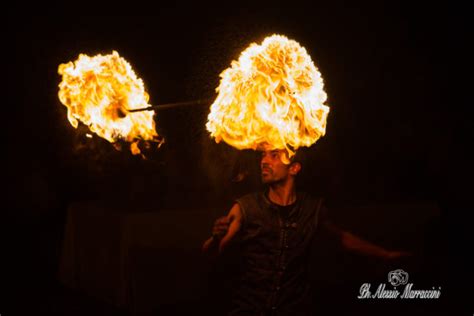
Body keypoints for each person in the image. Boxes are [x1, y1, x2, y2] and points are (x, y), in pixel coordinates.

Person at [202, 144, 409, 316]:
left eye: (274, 156)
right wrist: (214, 237)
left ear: (294, 168)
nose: (264, 161)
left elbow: (341, 238)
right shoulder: (245, 207)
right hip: (250, 310)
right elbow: (213, 253)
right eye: (263, 156)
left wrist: (385, 254)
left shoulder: (312, 209)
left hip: (294, 309)